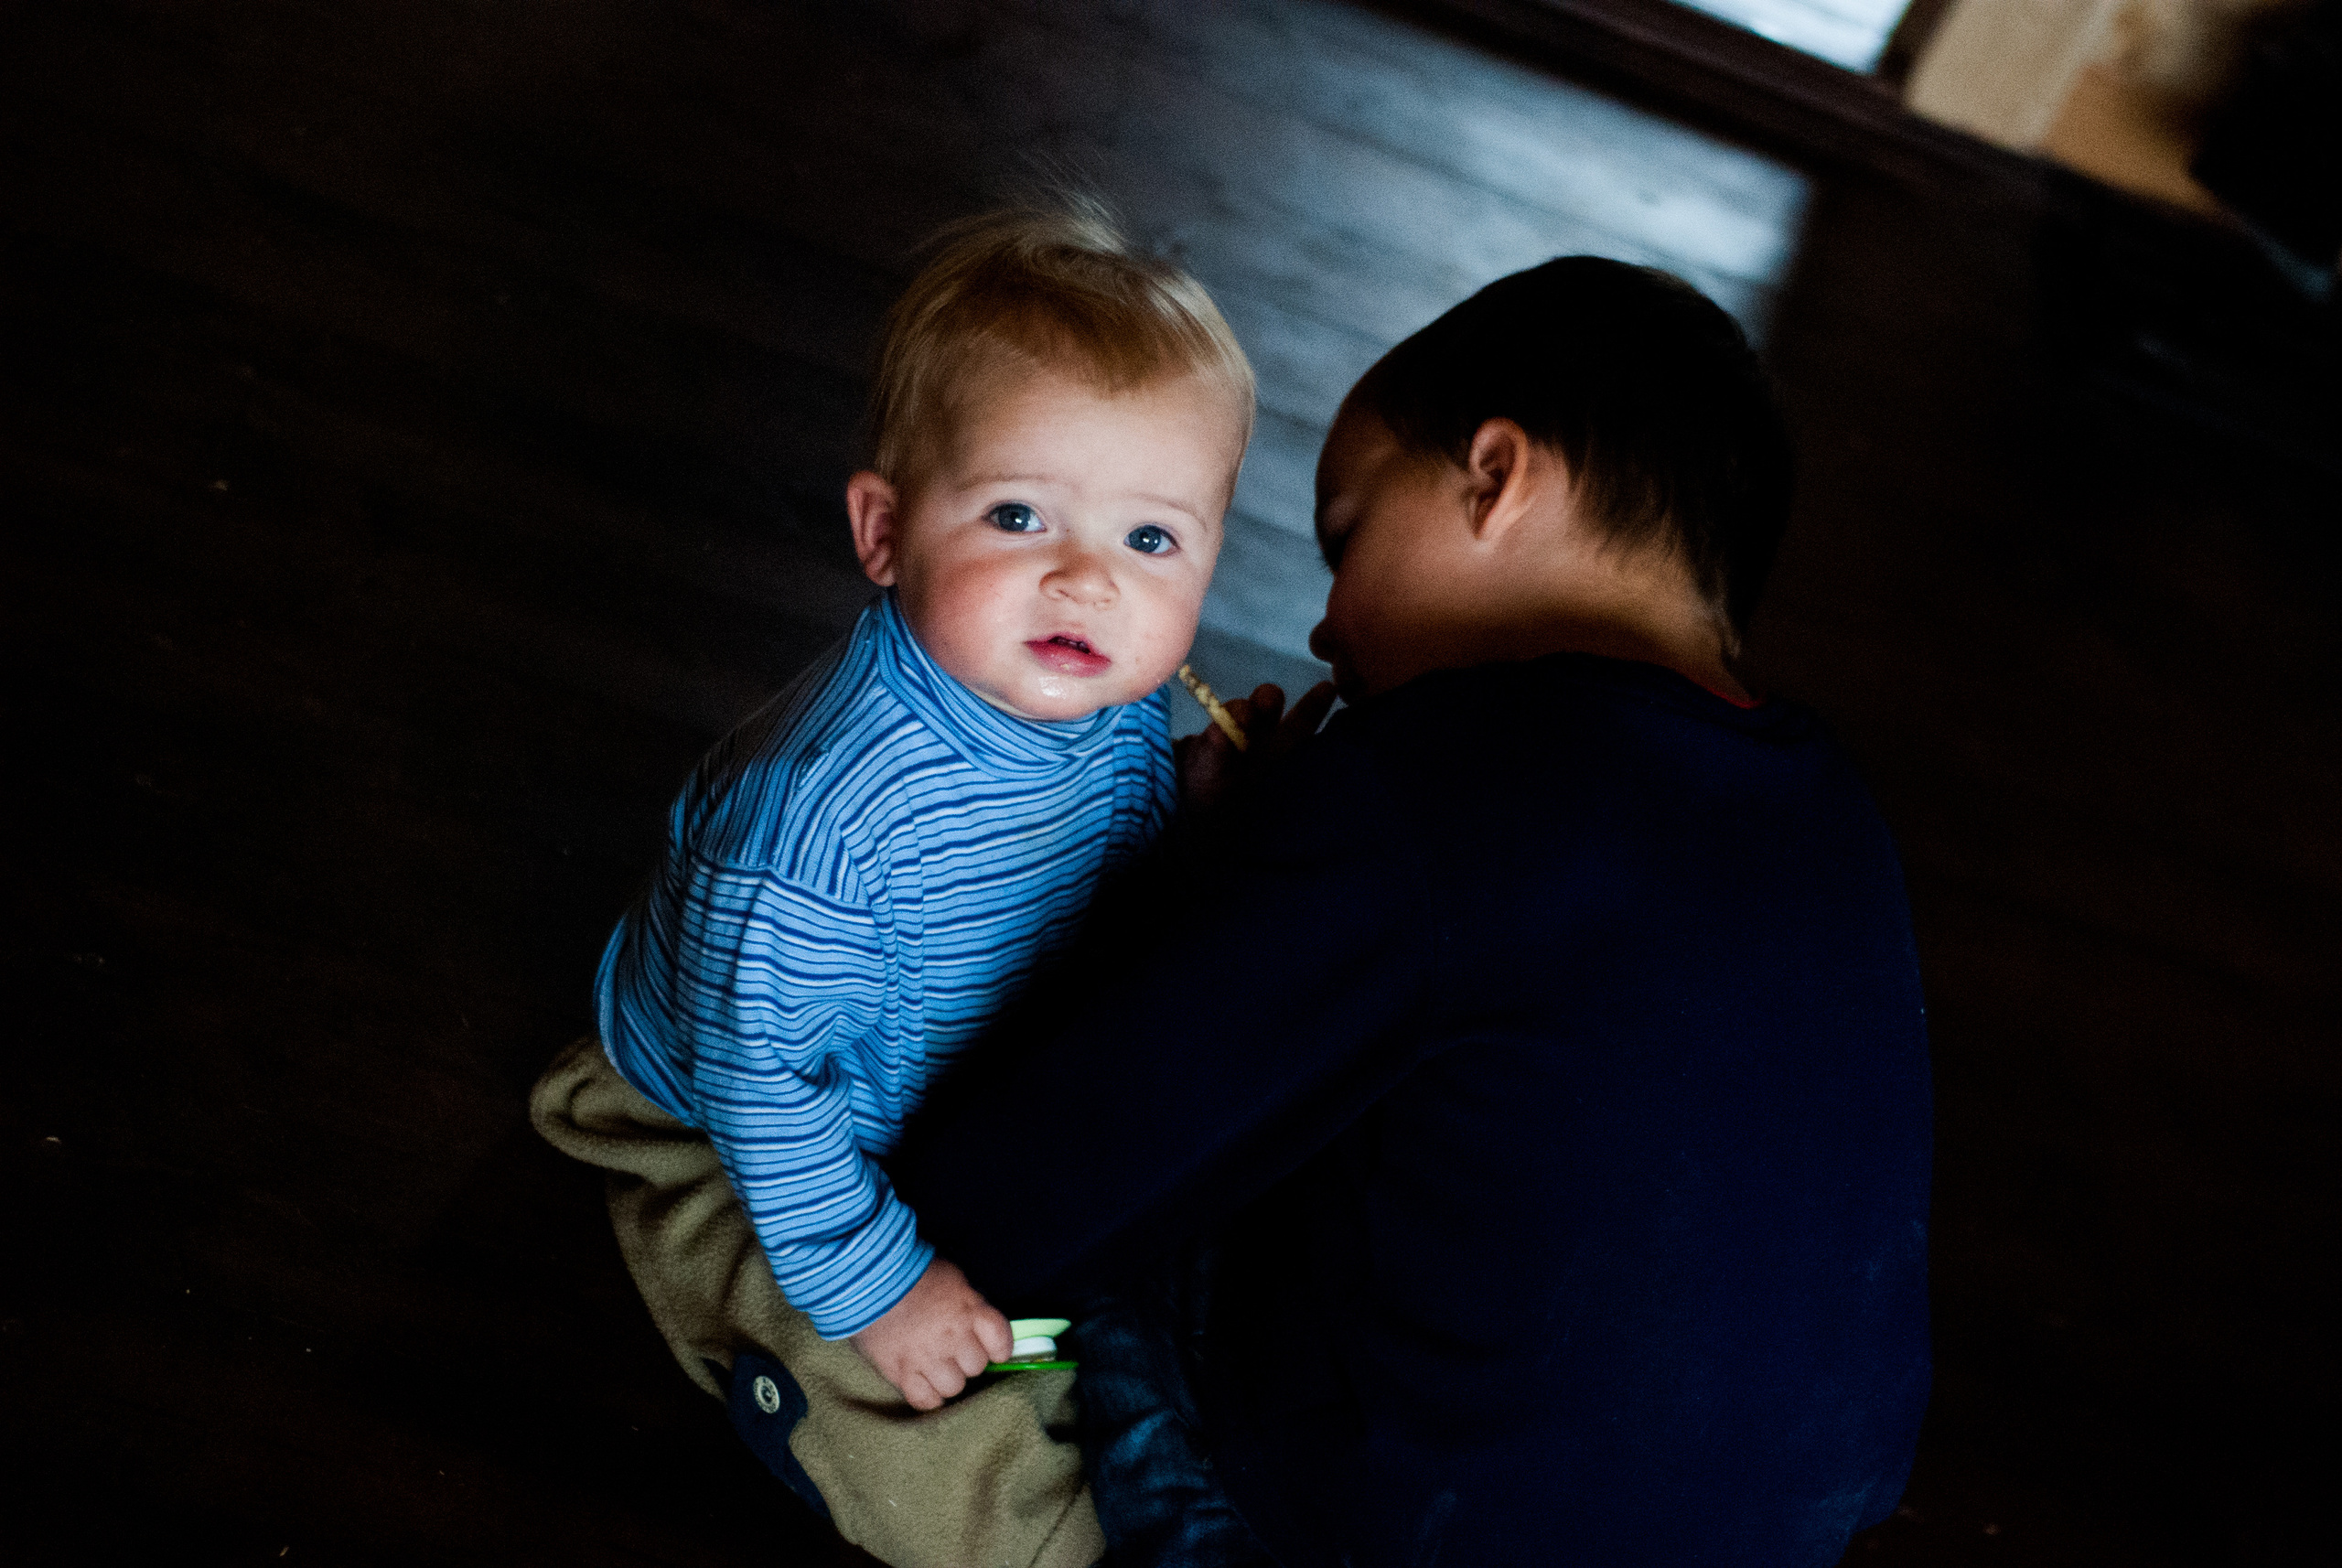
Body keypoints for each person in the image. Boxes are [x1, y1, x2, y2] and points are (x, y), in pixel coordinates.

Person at [889, 257, 1935, 1566]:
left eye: (1349, 536)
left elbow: (1007, 1202)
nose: (1326, 627)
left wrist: (1207, 876)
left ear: (1496, 479)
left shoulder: (1441, 780)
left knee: (985, 1241)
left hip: (1371, 1534)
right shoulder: (1834, 814)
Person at [528, 201, 1254, 1568]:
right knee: (939, 1428)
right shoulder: (811, 841)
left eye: (1152, 540)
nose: (1087, 578)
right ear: (884, 529)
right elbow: (766, 1092)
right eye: (1018, 512)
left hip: (954, 1061)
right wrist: (887, 1290)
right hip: (756, 1117)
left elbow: (1100, 855)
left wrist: (1199, 814)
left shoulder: (1097, 702)